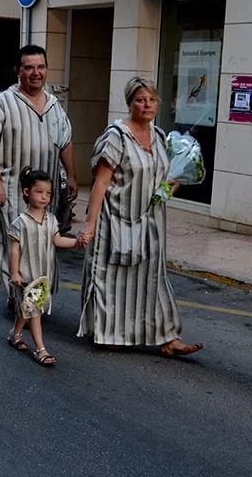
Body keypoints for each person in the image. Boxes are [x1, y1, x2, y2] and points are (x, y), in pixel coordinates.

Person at [76, 77, 202, 357]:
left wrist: (171, 184)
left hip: (150, 221)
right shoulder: (116, 136)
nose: (147, 105)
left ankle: (168, 336)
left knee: (152, 280)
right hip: (116, 219)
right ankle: (108, 332)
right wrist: (90, 223)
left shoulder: (158, 136)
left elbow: (159, 175)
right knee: (114, 278)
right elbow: (100, 183)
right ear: (129, 103)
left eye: (152, 100)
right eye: (140, 100)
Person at [0, 45, 77, 310]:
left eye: (41, 67)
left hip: (46, 193)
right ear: (18, 71)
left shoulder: (55, 105)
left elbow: (66, 142)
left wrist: (71, 176)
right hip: (12, 189)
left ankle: (33, 296)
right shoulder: (4, 102)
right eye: (29, 68)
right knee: (18, 244)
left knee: (43, 243)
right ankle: (20, 296)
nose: (36, 73)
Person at [7, 167, 78, 366]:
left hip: (43, 274)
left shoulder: (51, 220)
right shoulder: (20, 223)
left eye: (48, 193)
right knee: (35, 310)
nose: (45, 197)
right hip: (27, 275)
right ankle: (41, 349)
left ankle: (15, 333)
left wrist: (76, 242)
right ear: (27, 192)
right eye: (39, 192)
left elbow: (57, 240)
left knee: (27, 308)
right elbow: (14, 250)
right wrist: (14, 272)